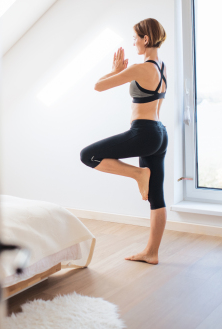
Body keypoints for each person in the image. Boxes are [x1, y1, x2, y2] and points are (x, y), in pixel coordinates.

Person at [80, 18, 168, 265]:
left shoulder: (142, 68)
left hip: (144, 132)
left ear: (146, 39)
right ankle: (152, 253)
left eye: (135, 38)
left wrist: (116, 71)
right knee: (156, 197)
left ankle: (139, 175)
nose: (134, 43)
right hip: (160, 132)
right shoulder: (161, 66)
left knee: (88, 155)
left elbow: (98, 86)